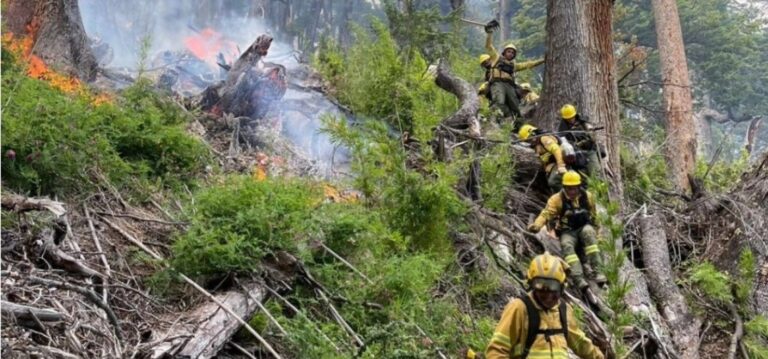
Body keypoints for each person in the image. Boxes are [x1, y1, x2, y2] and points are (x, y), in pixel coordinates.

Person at [485, 252, 605, 359]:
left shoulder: (564, 310)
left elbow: (580, 344)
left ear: (562, 288)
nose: (548, 296)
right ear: (531, 285)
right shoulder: (519, 308)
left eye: (553, 289)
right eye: (541, 289)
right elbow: (496, 351)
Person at [526, 171, 607, 290]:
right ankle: (578, 278)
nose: (572, 191)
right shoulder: (556, 199)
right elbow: (547, 214)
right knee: (566, 245)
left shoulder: (587, 197)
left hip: (584, 227)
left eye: (574, 188)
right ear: (564, 187)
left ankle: (599, 272)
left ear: (579, 187)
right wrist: (537, 225)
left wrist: (598, 234)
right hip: (567, 231)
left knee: (589, 235)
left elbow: (594, 217)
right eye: (569, 188)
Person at [484, 20, 544, 126]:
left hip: (509, 86)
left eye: (513, 52)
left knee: (516, 107)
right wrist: (489, 33)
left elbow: (529, 64)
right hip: (497, 83)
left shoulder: (514, 66)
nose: (511, 53)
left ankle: (520, 127)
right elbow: (489, 46)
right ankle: (493, 122)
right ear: (504, 52)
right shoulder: (496, 58)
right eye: (509, 51)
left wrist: (543, 60)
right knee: (499, 102)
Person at [518, 124, 567, 192]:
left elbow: (556, 150)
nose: (529, 142)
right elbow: (544, 157)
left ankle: (568, 197)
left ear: (532, 134)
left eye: (528, 139)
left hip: (561, 161)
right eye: (527, 141)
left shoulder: (543, 139)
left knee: (553, 182)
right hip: (553, 164)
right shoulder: (536, 145)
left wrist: (561, 166)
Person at [557, 104, 600, 177]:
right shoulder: (563, 126)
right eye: (568, 118)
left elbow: (592, 134)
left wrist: (590, 130)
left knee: (595, 172)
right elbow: (561, 137)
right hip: (576, 152)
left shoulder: (583, 121)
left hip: (589, 149)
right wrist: (566, 144)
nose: (570, 120)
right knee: (579, 172)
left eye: (572, 117)